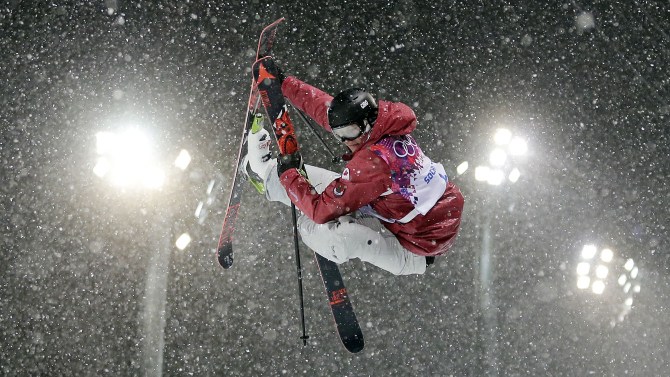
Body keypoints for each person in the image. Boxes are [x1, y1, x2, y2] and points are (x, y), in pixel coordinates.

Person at [245, 57, 464, 275]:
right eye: (340, 134)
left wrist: (291, 177)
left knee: (330, 224)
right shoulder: (384, 121)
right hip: (394, 215)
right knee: (331, 195)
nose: (345, 140)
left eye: (349, 133)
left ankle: (321, 234)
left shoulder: (375, 161)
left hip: (410, 251)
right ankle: (266, 173)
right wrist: (285, 84)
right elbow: (328, 110)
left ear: (366, 123)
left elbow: (321, 211)